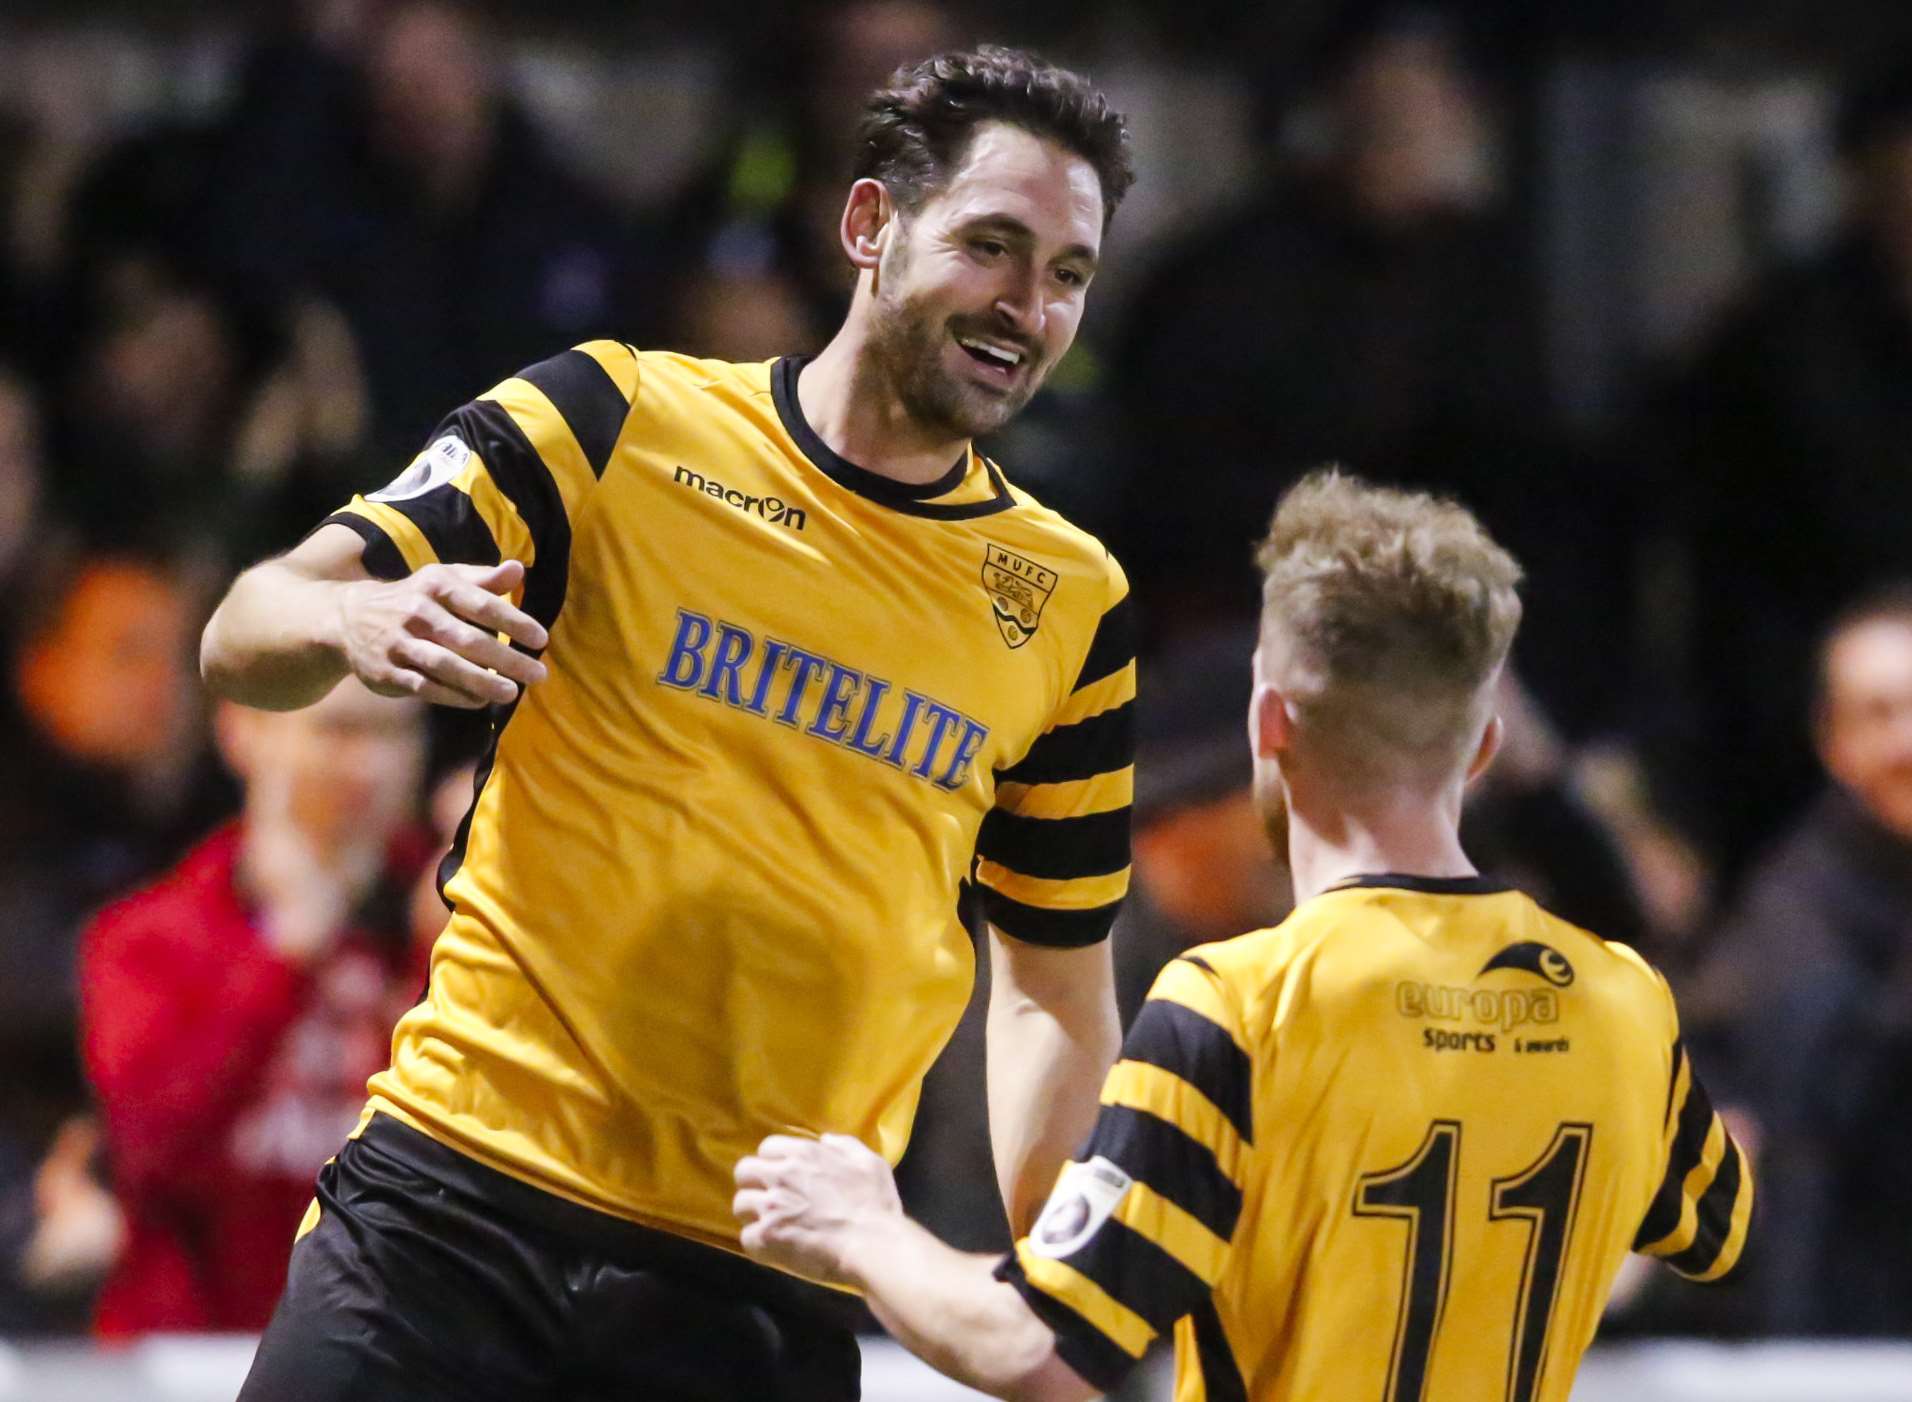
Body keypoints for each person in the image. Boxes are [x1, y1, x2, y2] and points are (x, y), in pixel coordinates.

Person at [201, 47, 1137, 1400]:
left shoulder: (1071, 600)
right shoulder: (610, 418)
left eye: (1067, 274)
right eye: (993, 245)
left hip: (759, 1272)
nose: (1028, 306)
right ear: (871, 225)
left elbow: (1053, 982)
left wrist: (1060, 1284)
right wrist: (354, 624)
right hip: (454, 1211)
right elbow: (245, 627)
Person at [735, 471, 1752, 1402]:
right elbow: (1715, 1232)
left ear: (1269, 721)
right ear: (1483, 742)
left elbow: (1035, 1347)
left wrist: (859, 1228)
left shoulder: (1236, 1001)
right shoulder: (1621, 998)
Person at [80, 679, 432, 1336]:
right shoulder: (151, 937)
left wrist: (438, 947)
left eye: (396, 732)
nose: (372, 766)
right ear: (245, 732)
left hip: (391, 1349)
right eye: (338, 730)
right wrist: (287, 955)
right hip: (197, 1352)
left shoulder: (446, 925)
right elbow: (153, 1158)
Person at [1684, 587, 1912, 1335]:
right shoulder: (1795, 905)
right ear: (1833, 740)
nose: (1907, 741)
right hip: (1843, 1321)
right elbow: (1819, 1102)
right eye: (1878, 714)